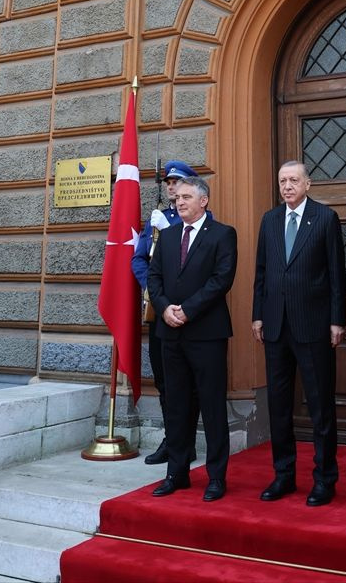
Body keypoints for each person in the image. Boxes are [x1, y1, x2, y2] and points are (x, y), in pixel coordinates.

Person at [252, 160, 345, 506]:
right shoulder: (270, 219)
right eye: (282, 181)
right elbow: (261, 271)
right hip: (275, 325)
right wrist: (257, 315)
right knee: (278, 405)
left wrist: (338, 320)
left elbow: (337, 274)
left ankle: (324, 478)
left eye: (294, 180)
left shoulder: (325, 218)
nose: (287, 186)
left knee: (320, 405)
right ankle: (284, 475)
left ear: (308, 184)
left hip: (314, 325)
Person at [147, 176, 237, 502]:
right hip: (170, 333)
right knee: (177, 406)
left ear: (204, 201)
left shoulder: (223, 235)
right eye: (177, 198)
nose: (179, 202)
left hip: (207, 334)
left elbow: (221, 279)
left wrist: (187, 309)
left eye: (186, 197)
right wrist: (164, 308)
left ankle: (216, 477)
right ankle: (177, 472)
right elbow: (154, 278)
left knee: (212, 407)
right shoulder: (168, 236)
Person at [131, 159, 202, 466]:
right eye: (169, 183)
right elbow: (139, 260)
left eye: (177, 182)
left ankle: (186, 442)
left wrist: (169, 227)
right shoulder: (158, 217)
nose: (172, 187)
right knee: (164, 380)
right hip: (160, 311)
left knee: (190, 381)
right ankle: (172, 440)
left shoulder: (199, 216)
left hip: (190, 314)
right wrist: (155, 294)